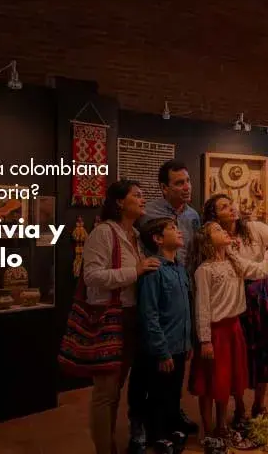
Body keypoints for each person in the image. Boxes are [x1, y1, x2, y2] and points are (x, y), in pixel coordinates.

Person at [82, 179, 162, 454]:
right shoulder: (104, 233)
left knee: (116, 390)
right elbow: (91, 276)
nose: (143, 200)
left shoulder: (136, 236)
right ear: (119, 202)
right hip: (108, 317)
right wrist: (135, 272)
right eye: (137, 196)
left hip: (130, 318)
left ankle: (111, 444)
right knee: (105, 394)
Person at [188, 221, 268, 448]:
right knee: (209, 383)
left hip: (234, 329)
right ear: (207, 242)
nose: (224, 231)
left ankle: (222, 426)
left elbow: (262, 270)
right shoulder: (204, 270)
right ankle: (208, 430)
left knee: (226, 381)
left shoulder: (234, 263)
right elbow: (202, 308)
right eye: (217, 230)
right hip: (215, 334)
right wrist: (205, 340)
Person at [202, 194, 268, 425]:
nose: (232, 209)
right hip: (235, 298)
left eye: (231, 204)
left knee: (265, 352)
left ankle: (259, 404)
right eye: (224, 207)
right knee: (238, 354)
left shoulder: (252, 227)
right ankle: (239, 408)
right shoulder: (216, 240)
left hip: (261, 295)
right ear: (214, 216)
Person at [138, 159, 201, 436]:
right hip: (155, 283)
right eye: (179, 183)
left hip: (182, 285)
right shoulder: (147, 213)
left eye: (187, 181)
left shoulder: (193, 216)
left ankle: (173, 414)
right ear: (164, 188)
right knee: (153, 370)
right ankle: (147, 427)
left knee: (177, 365)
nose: (186, 187)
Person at [137, 218, 192, 454]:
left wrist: (187, 341)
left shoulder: (180, 268)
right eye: (172, 229)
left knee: (173, 391)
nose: (178, 232)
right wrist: (161, 350)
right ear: (158, 239)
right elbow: (149, 314)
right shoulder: (153, 271)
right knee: (158, 393)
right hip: (163, 347)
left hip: (180, 344)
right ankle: (158, 435)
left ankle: (171, 428)